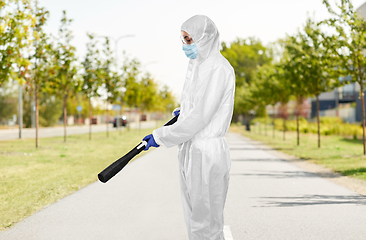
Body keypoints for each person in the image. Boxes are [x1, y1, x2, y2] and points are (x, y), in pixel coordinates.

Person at [142, 15, 235, 240]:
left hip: (206, 152)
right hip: (192, 150)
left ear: (204, 38)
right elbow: (195, 107)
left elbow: (201, 117)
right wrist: (183, 111)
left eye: (189, 39)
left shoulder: (218, 68)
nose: (185, 45)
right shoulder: (198, 66)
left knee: (206, 222)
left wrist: (161, 135)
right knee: (195, 220)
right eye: (183, 40)